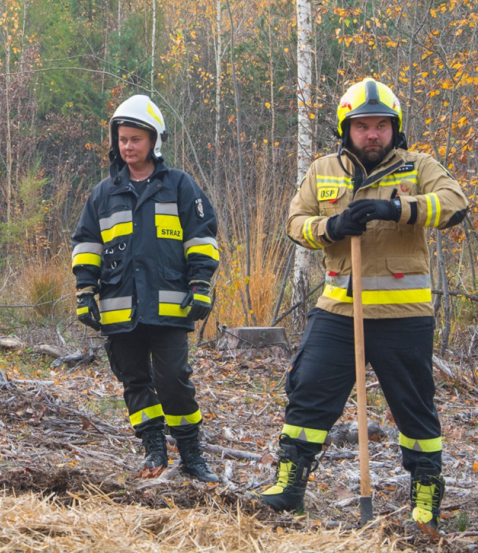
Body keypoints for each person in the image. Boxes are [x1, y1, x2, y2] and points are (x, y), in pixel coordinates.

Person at [260, 78, 468, 533]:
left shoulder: (419, 165)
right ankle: (290, 483)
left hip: (403, 316)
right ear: (346, 128)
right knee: (309, 389)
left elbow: (456, 204)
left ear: (395, 128)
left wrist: (401, 210)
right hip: (338, 309)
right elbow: (296, 222)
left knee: (414, 406)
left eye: (381, 126)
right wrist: (332, 225)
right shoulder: (323, 169)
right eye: (362, 126)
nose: (372, 134)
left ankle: (426, 495)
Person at [71, 95, 221, 482]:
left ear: (154, 140)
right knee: (134, 381)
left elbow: (202, 238)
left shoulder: (179, 186)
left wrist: (201, 284)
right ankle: (153, 447)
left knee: (173, 379)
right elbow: (87, 244)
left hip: (169, 308)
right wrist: (85, 293)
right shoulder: (103, 194)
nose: (128, 147)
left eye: (136, 139)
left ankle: (191, 453)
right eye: (122, 139)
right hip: (120, 310)